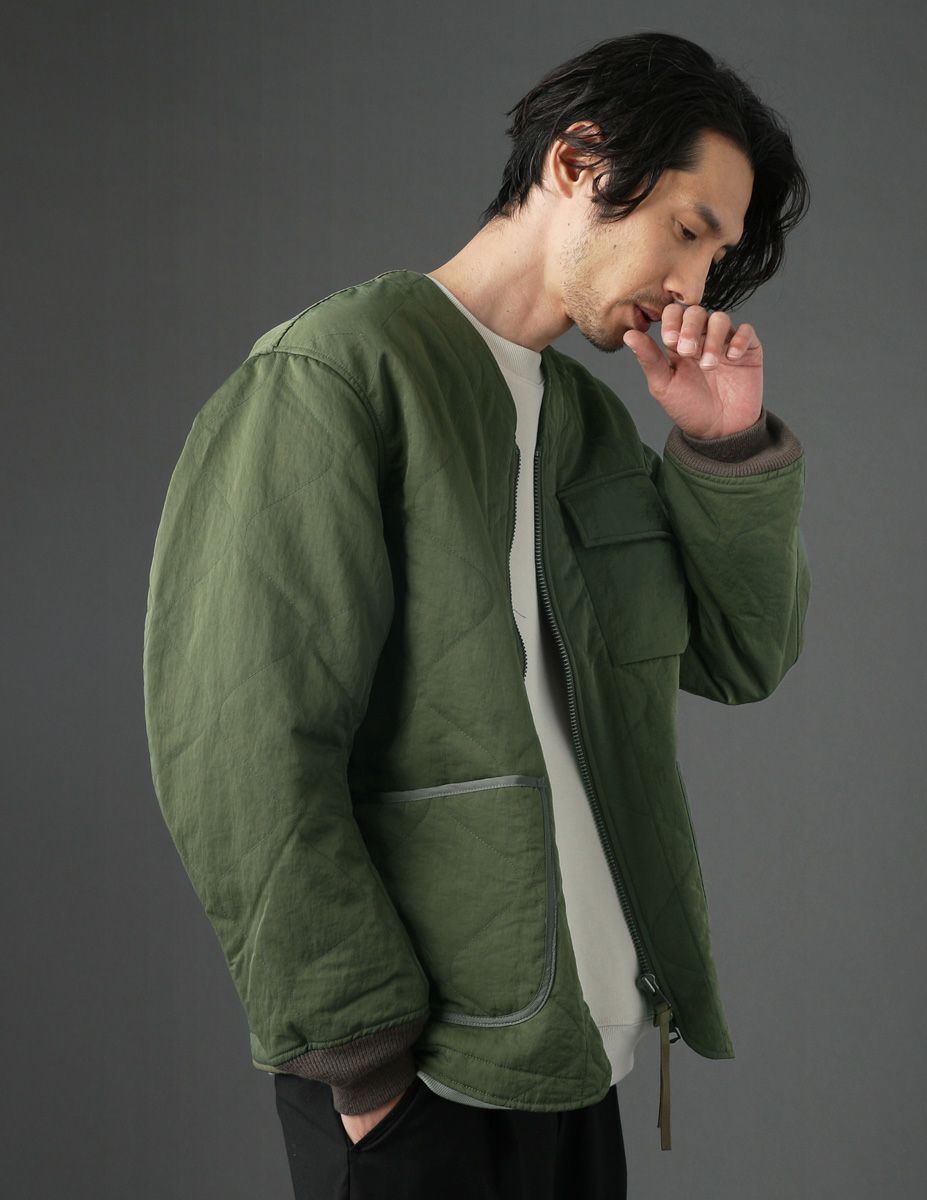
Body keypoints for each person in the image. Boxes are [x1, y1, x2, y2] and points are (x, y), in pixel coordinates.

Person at [142, 29, 811, 1200]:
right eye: (688, 230)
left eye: (716, 257)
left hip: (579, 1054)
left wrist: (721, 445)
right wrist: (360, 1062)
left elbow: (737, 654)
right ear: (576, 161)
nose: (693, 286)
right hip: (421, 1077)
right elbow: (241, 743)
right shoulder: (338, 372)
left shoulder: (588, 426)